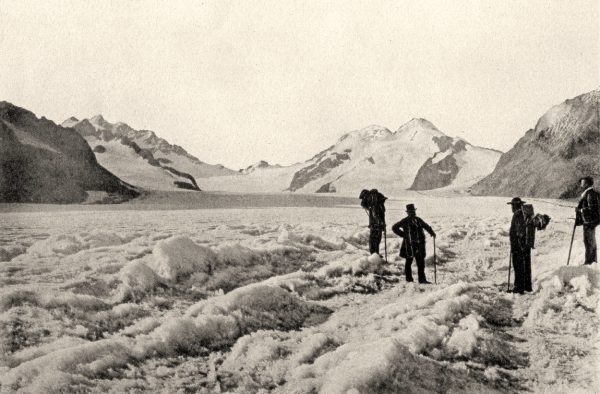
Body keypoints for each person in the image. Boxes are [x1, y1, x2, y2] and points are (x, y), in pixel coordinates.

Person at [391, 204, 436, 284]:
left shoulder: (418, 220)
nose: (413, 213)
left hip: (419, 245)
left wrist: (431, 232)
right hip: (409, 245)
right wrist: (404, 235)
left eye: (413, 211)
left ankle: (422, 280)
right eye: (411, 212)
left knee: (421, 263)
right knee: (408, 262)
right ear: (408, 213)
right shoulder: (405, 221)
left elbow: (426, 226)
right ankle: (409, 280)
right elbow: (394, 227)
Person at [508, 197, 534, 294]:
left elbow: (518, 232)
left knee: (518, 266)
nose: (511, 208)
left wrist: (516, 245)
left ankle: (519, 288)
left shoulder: (517, 215)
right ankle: (527, 286)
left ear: (515, 206)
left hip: (518, 246)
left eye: (512, 205)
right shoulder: (525, 214)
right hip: (525, 244)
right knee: (526, 265)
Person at [576, 176, 599, 265]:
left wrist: (581, 210)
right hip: (589, 221)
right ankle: (591, 261)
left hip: (590, 222)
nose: (581, 184)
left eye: (582, 183)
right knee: (588, 241)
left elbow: (592, 209)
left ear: (587, 184)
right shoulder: (589, 193)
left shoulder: (590, 194)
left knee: (589, 241)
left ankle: (590, 262)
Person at [360, 189, 387, 255]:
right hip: (379, 225)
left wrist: (379, 222)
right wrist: (382, 224)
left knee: (373, 241)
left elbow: (375, 215)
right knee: (377, 241)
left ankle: (374, 256)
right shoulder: (379, 204)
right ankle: (376, 254)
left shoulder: (373, 205)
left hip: (375, 225)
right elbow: (380, 215)